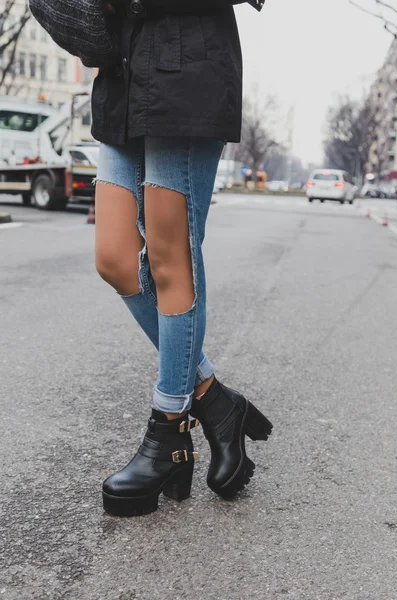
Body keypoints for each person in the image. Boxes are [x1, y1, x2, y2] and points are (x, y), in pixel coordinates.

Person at [94, 0, 273, 517]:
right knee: (115, 258)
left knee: (171, 260)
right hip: (121, 73)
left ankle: (169, 434)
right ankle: (217, 402)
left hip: (184, 70)